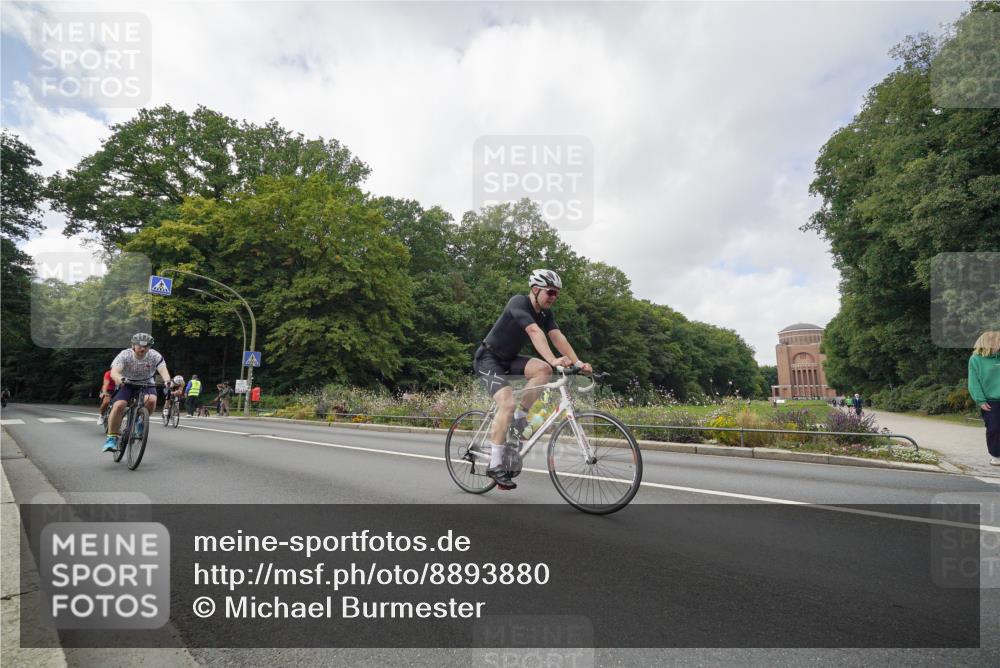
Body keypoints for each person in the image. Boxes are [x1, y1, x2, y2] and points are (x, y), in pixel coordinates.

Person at [472, 269, 591, 490]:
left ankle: (520, 417)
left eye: (557, 294)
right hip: (488, 359)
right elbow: (535, 332)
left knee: (543, 370)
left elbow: (557, 336)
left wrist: (578, 364)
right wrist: (555, 360)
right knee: (506, 403)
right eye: (551, 292)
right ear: (536, 290)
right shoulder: (518, 302)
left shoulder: (546, 314)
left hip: (510, 359)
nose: (554, 297)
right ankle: (495, 463)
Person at [102, 333, 172, 452]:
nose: (143, 349)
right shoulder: (125, 355)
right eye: (139, 346)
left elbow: (163, 371)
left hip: (146, 382)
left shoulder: (155, 356)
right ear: (133, 345)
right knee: (119, 405)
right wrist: (120, 379)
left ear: (150, 347)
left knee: (151, 400)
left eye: (147, 346)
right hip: (127, 383)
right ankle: (111, 438)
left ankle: (140, 421)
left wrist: (167, 381)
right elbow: (114, 372)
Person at [968, 331, 1000, 466]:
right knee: (994, 428)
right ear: (991, 342)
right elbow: (973, 381)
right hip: (991, 401)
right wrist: (980, 400)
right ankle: (996, 455)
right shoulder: (975, 359)